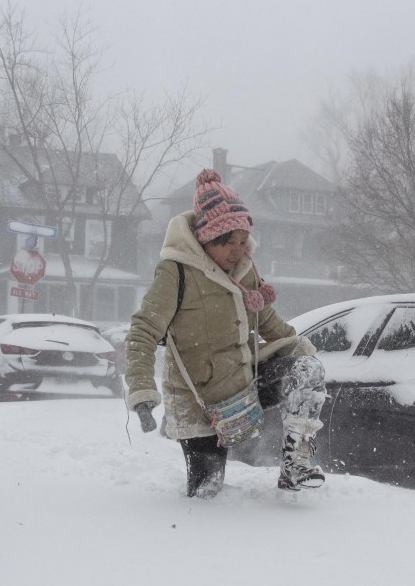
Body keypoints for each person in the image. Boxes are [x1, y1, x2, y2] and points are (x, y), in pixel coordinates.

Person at [125, 169, 327, 498]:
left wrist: (309, 356)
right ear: (207, 238)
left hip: (244, 383)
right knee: (207, 493)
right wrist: (142, 391)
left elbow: (271, 324)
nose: (237, 251)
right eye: (227, 242)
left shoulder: (244, 272)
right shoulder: (175, 271)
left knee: (306, 369)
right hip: (199, 400)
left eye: (242, 241)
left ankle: (296, 464)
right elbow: (142, 331)